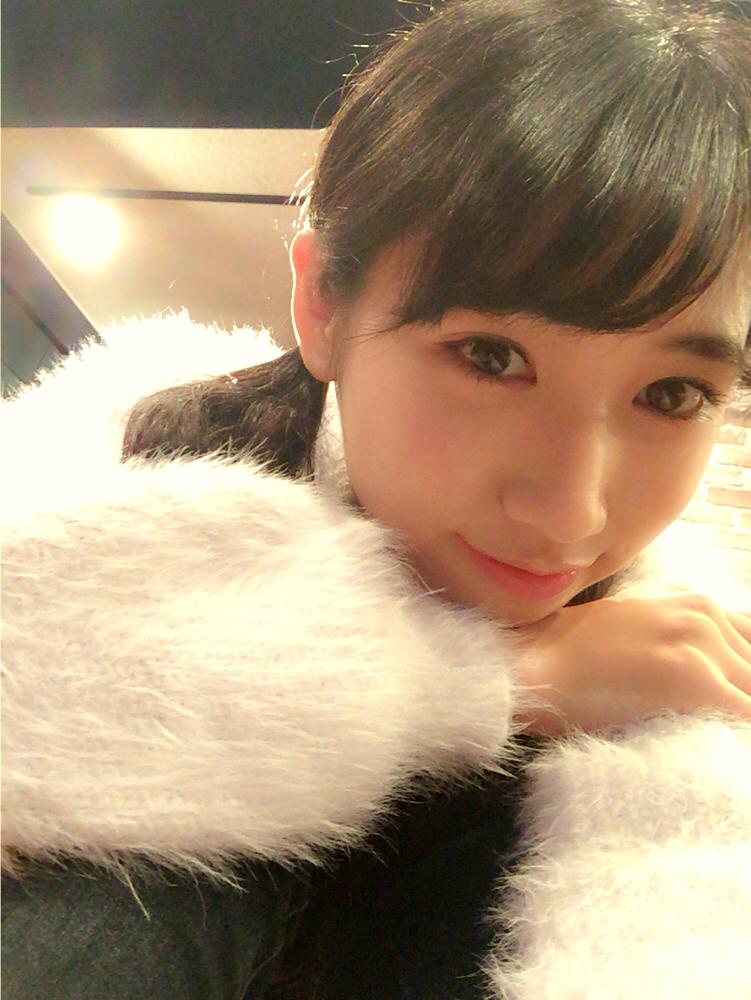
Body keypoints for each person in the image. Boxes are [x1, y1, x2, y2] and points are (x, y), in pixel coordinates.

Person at [2, 0, 751, 997]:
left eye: (671, 395)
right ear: (323, 305)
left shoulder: (686, 680)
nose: (570, 513)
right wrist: (500, 677)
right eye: (490, 356)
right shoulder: (140, 443)